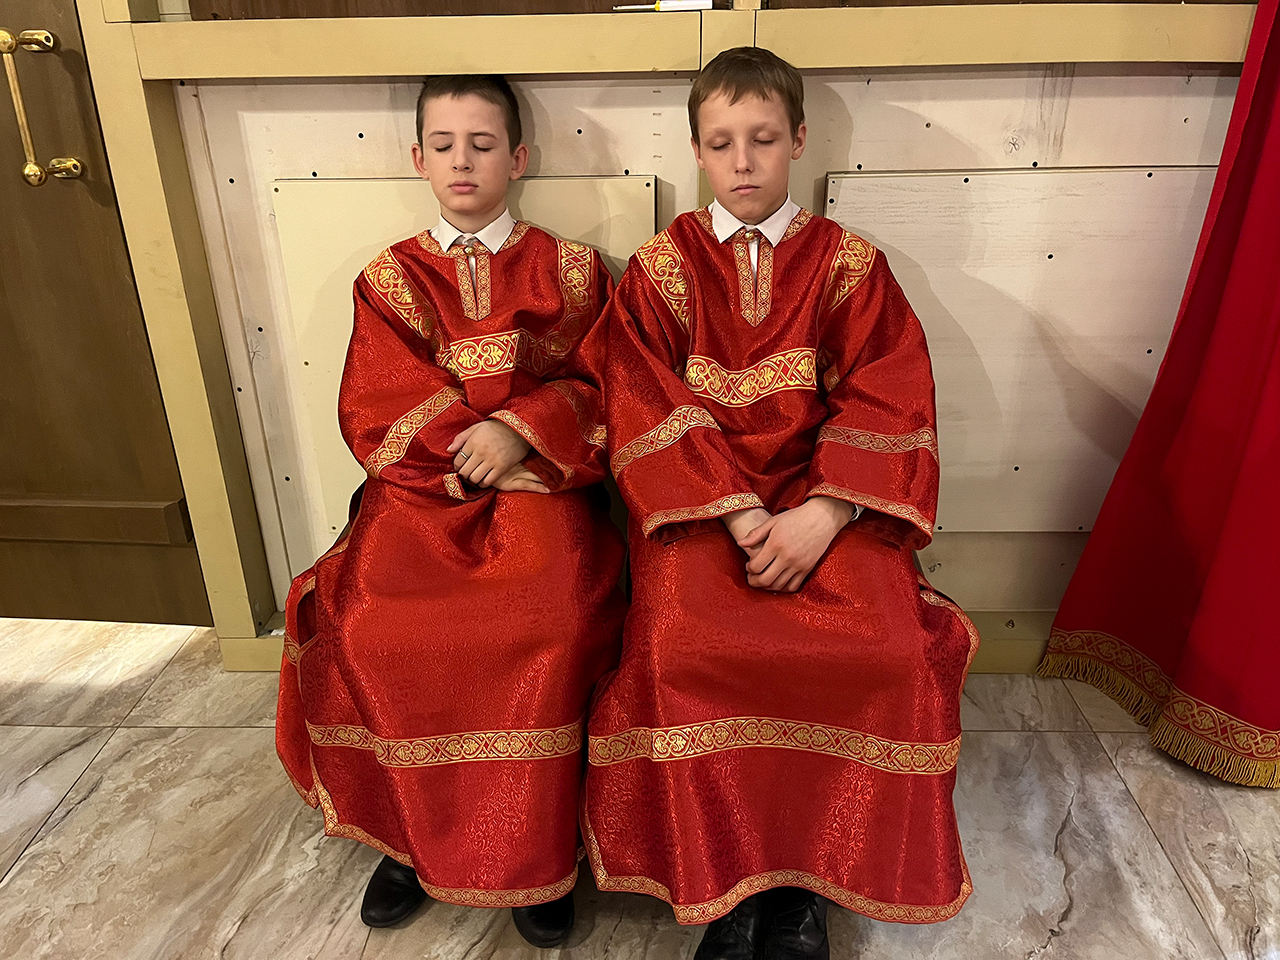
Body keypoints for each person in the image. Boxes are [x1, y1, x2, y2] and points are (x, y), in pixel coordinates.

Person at [583, 47, 977, 960]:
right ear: (697, 151)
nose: (743, 161)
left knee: (882, 648)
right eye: (721, 143)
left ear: (798, 139)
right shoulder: (661, 268)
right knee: (683, 647)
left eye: (762, 138)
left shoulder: (850, 266)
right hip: (701, 512)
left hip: (829, 508)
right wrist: (733, 510)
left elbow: (889, 394)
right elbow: (640, 397)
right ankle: (728, 884)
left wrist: (825, 514)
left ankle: (804, 884)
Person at [275, 75, 625, 947]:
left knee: (550, 621)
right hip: (422, 494)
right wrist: (468, 457)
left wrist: (521, 432)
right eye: (444, 144)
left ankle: (540, 854)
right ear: (418, 157)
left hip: (544, 484)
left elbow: (606, 381)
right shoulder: (389, 277)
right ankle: (409, 836)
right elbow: (375, 401)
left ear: (519, 157)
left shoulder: (574, 271)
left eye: (483, 143)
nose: (463, 160)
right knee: (376, 628)